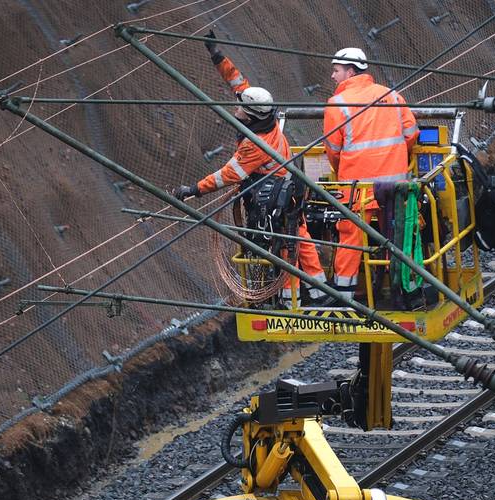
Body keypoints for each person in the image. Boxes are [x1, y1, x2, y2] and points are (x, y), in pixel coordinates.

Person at [173, 32, 327, 307]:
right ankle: (320, 290)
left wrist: (194, 190)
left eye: (240, 107)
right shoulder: (260, 115)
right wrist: (217, 56)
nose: (236, 107)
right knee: (298, 236)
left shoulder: (255, 146)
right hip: (288, 189)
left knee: (284, 245)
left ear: (250, 115)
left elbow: (228, 174)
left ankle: (290, 300)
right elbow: (237, 81)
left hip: (275, 196)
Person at [323, 47, 419, 303]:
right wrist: (396, 157)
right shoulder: (393, 96)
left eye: (336, 71)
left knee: (350, 235)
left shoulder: (337, 105)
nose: (333, 77)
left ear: (350, 71)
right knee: (397, 232)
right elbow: (411, 134)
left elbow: (333, 150)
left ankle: (344, 294)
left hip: (357, 188)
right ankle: (401, 290)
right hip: (395, 185)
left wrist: (342, 171)